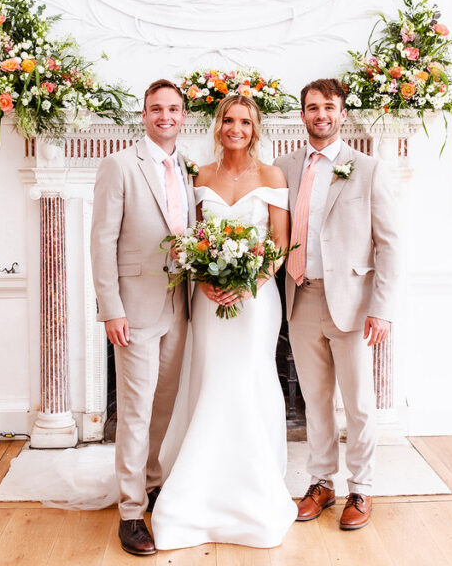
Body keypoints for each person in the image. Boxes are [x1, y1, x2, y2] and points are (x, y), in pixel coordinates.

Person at [151, 94, 297, 549]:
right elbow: (194, 240)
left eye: (245, 122)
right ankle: (201, 482)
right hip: (209, 301)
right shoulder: (201, 176)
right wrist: (205, 278)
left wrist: (246, 284)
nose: (237, 129)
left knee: (250, 380)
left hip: (255, 301)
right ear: (218, 126)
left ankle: (255, 483)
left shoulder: (271, 176)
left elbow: (279, 245)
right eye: (229, 121)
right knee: (212, 379)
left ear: (255, 128)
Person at [273, 78, 400, 531]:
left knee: (359, 403)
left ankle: (361, 487)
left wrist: (381, 307)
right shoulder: (283, 166)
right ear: (302, 114)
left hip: (351, 302)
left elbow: (389, 244)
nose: (320, 115)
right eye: (312, 107)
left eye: (329, 107)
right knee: (315, 399)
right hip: (301, 296)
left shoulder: (367, 168)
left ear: (342, 113)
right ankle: (321, 483)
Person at [90, 79, 195, 556]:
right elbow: (102, 242)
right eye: (157, 109)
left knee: (163, 406)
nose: (165, 116)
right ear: (144, 115)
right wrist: (110, 309)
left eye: (173, 109)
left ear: (184, 115)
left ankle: (152, 484)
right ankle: (131, 512)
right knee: (134, 411)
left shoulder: (185, 166)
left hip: (179, 305)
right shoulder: (118, 165)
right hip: (133, 310)